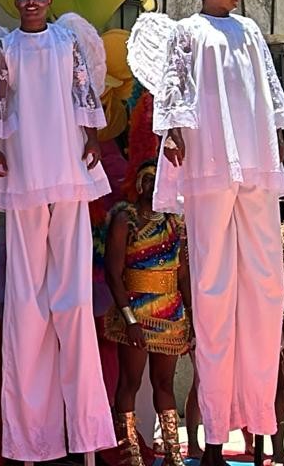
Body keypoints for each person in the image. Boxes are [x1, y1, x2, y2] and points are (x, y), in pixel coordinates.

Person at [130, 0, 284, 466]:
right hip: (209, 165)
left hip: (256, 167)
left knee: (265, 288)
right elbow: (172, 90)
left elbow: (270, 94)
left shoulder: (251, 33)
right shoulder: (187, 32)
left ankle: (262, 425)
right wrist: (173, 132)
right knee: (214, 290)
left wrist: (279, 143)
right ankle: (215, 433)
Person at [0, 0, 114, 462]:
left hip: (67, 165)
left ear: (48, 1)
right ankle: (32, 442)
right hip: (25, 169)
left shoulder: (67, 41)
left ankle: (88, 440)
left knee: (72, 299)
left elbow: (83, 94)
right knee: (27, 302)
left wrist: (92, 137)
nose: (30, 2)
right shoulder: (3, 48)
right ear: (16, 2)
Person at [103, 160, 192, 466]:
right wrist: (129, 319)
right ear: (139, 184)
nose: (153, 187)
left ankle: (172, 453)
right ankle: (130, 455)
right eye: (148, 180)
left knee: (165, 384)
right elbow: (114, 273)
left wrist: (191, 316)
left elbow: (182, 274)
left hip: (170, 312)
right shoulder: (124, 218)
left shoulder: (174, 221)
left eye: (159, 180)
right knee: (130, 382)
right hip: (137, 311)